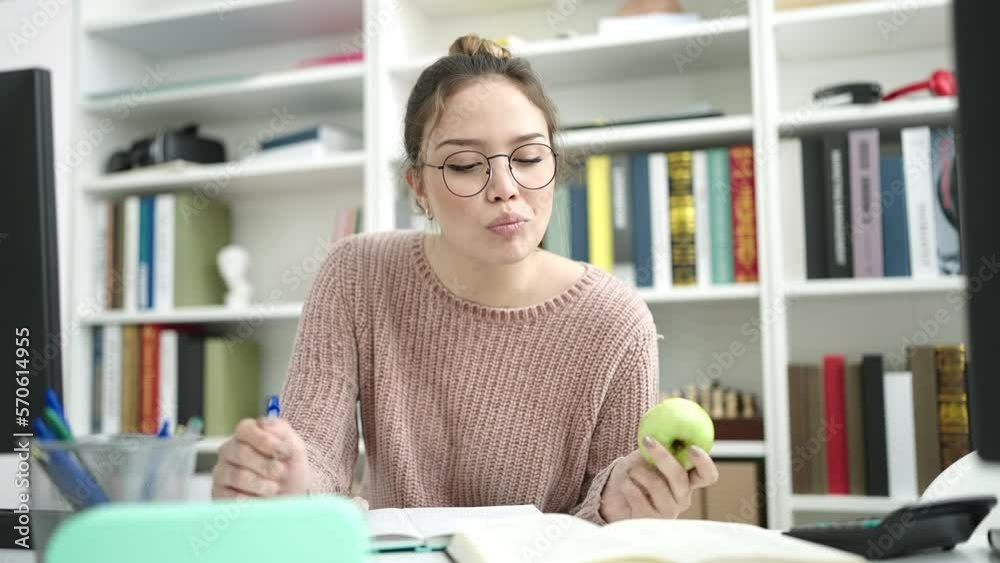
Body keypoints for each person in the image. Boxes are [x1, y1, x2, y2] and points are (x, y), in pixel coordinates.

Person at [211, 33, 719, 524]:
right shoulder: (356, 275)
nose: (505, 188)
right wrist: (280, 481)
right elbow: (317, 458)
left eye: (527, 157)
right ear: (419, 188)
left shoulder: (615, 321)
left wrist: (623, 505)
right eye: (465, 165)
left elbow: (604, 528)